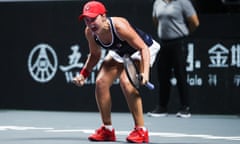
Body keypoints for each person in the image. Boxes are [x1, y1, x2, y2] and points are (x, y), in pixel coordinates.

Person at [73, 1, 160, 143]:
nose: (90, 23)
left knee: (127, 82)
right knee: (101, 82)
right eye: (87, 20)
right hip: (120, 52)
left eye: (93, 19)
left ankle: (141, 131)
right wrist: (84, 74)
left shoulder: (119, 27)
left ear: (103, 16)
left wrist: (145, 73)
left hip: (143, 49)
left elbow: (143, 48)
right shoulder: (90, 32)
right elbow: (95, 55)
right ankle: (107, 130)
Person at [147, 0, 199, 118]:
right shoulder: (158, 3)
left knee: (180, 74)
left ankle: (185, 108)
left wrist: (183, 33)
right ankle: (162, 108)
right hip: (164, 43)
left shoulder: (183, 2)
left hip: (179, 42)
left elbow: (194, 22)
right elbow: (156, 21)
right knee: (163, 75)